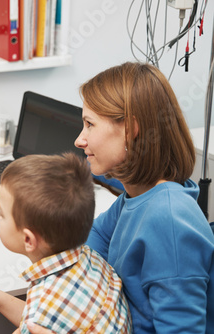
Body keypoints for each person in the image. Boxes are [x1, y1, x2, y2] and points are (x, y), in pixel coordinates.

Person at [74, 61, 214, 333]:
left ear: (130, 130)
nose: (80, 139)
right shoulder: (139, 194)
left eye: (90, 125)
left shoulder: (169, 219)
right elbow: (94, 239)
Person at [0, 153, 132, 333]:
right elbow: (45, 317)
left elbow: (39, 318)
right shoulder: (90, 258)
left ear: (28, 240)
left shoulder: (42, 311)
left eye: (2, 214)